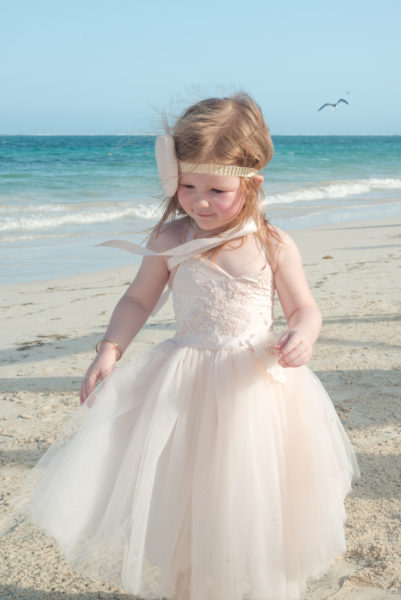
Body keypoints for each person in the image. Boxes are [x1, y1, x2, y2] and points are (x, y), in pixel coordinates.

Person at [13, 93, 360, 600]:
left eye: (217, 190)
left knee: (250, 496)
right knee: (185, 495)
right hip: (183, 387)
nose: (199, 201)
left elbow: (304, 307)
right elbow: (138, 299)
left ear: (252, 184)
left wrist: (303, 335)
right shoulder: (170, 239)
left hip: (255, 392)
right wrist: (109, 349)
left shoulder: (273, 244)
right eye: (187, 186)